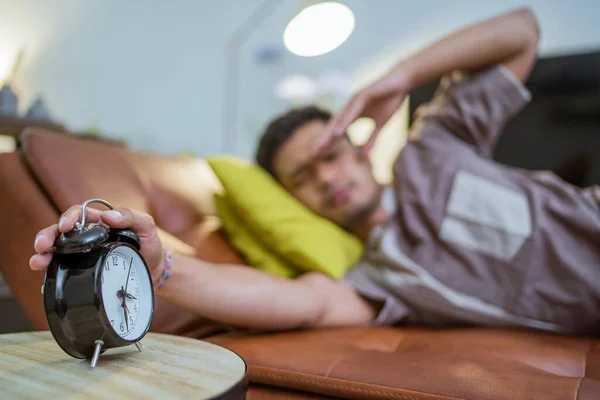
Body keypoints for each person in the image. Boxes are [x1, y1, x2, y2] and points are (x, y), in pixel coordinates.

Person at [30, 8, 600, 335]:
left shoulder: (435, 150)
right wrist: (161, 266)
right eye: (303, 178)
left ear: (357, 149)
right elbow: (303, 303)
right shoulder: (379, 277)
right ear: (295, 202)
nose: (326, 180)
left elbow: (523, 31)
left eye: (328, 157)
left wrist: (400, 76)